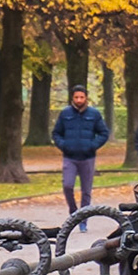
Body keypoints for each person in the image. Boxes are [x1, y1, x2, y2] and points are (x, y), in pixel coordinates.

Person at [52, 85, 111, 225]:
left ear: (86, 98)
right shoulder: (65, 114)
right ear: (72, 98)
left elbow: (103, 133)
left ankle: (83, 219)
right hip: (69, 157)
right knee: (67, 185)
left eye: (82, 97)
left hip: (87, 157)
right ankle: (73, 212)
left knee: (86, 191)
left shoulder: (94, 114)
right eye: (76, 97)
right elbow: (56, 133)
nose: (79, 100)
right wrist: (64, 145)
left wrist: (92, 145)